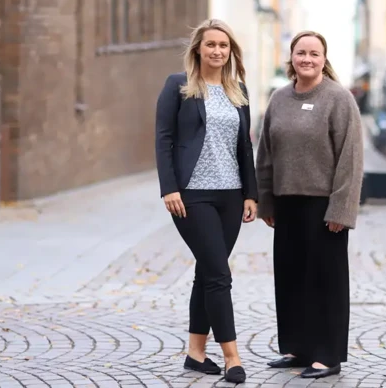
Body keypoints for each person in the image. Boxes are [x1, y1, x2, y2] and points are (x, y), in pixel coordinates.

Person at [154, 19, 258, 384]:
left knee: (206, 271)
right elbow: (164, 138)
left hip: (230, 196)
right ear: (198, 48)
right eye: (211, 44)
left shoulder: (238, 90)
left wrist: (250, 193)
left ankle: (195, 354)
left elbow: (244, 147)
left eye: (224, 46)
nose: (217, 51)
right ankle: (232, 357)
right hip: (192, 195)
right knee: (219, 274)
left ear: (231, 52)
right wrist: (169, 188)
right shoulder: (178, 86)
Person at [256, 31, 364, 379]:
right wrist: (267, 201)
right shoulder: (279, 98)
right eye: (300, 53)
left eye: (314, 54)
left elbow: (351, 158)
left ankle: (327, 354)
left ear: (323, 59)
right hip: (287, 204)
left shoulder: (338, 98)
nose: (307, 59)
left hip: (323, 207)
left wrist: (341, 210)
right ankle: (297, 348)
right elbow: (266, 154)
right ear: (291, 57)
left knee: (325, 281)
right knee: (291, 278)